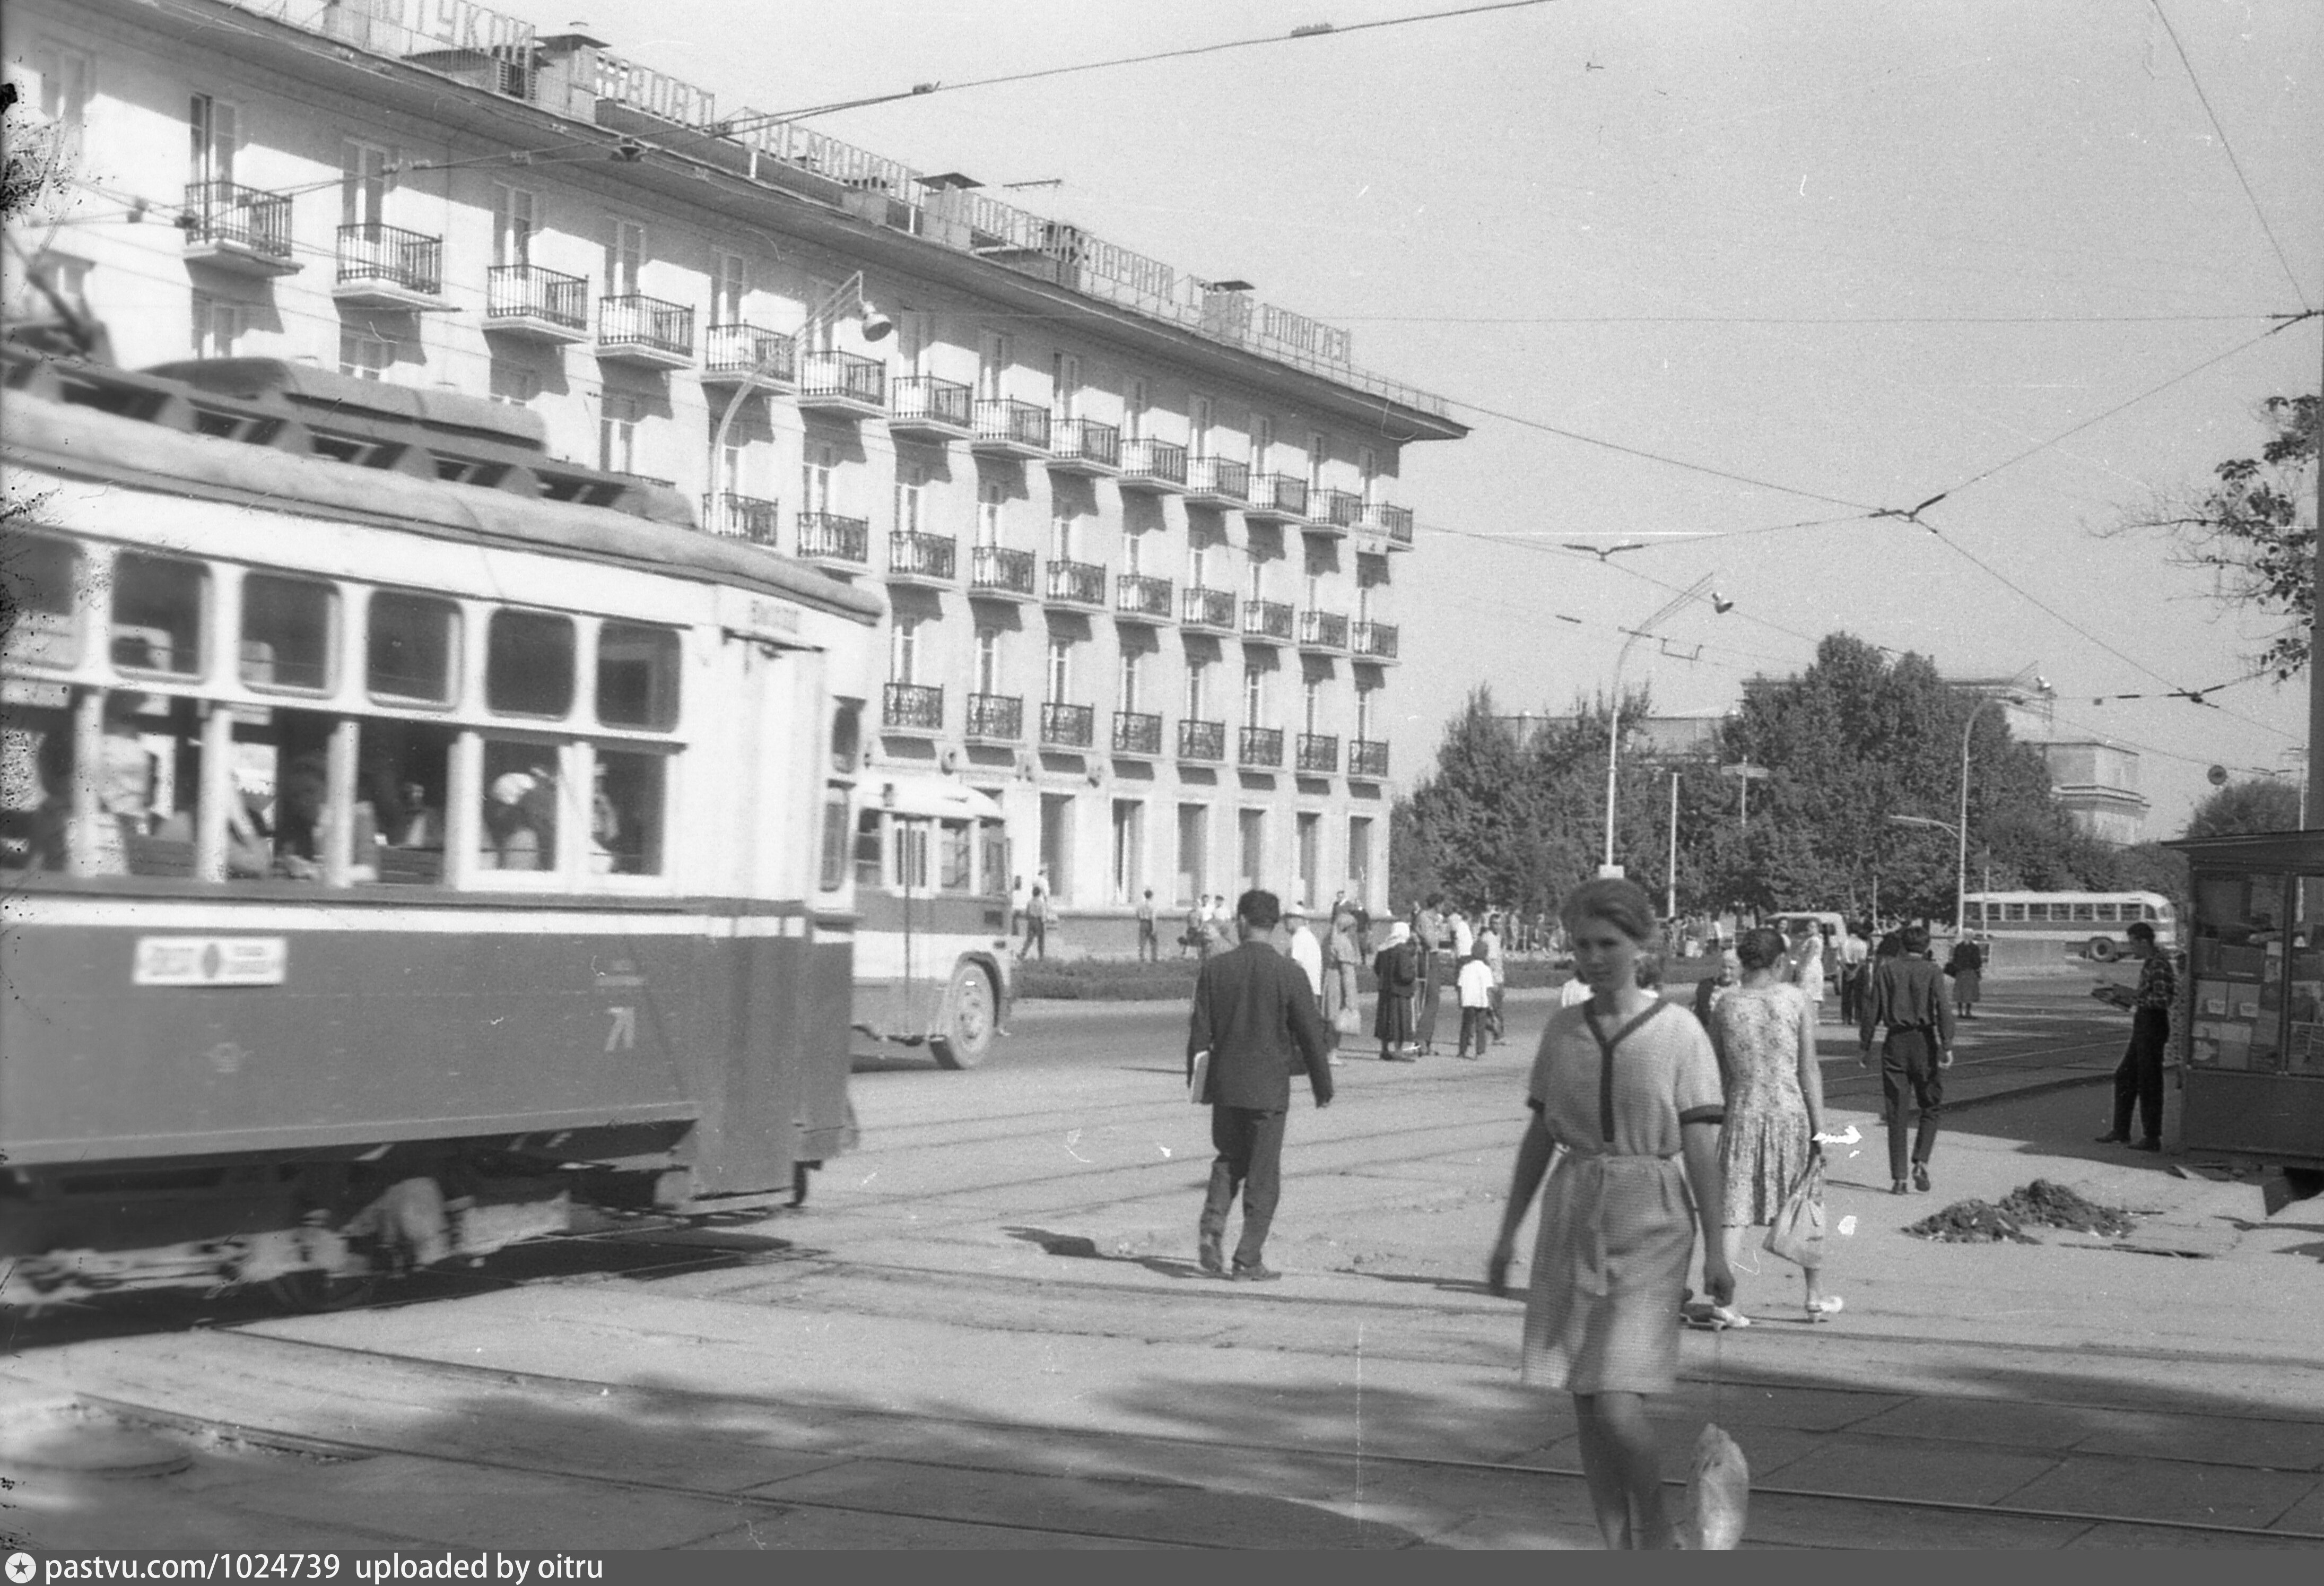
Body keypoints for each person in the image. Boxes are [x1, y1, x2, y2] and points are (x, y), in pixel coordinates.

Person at [1486, 877, 1730, 1550]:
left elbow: (1703, 1150)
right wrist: (1507, 1232)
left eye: (1608, 944)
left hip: (1651, 1216)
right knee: (1585, 1397)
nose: (1593, 958)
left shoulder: (1679, 1032)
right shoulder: (1564, 1029)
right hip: (1574, 1211)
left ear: (1640, 943)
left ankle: (1657, 1534)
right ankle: (1614, 1546)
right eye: (1581, 945)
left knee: (1619, 1399)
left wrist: (1718, 1250)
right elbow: (1540, 1135)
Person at [1186, 889, 1334, 1281]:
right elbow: (1311, 1035)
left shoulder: (1216, 970)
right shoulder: (1289, 973)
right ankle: (1247, 1257)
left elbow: (1199, 1035)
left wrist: (1197, 1086)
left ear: (1242, 922)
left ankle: (1212, 1224)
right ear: (1274, 926)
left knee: (1228, 1159)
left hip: (1226, 1086)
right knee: (1263, 1174)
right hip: (1269, 1090)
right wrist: (1323, 1085)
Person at [1711, 928, 1836, 1324]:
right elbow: (1808, 1067)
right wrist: (1821, 1130)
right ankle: (1814, 1295)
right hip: (1791, 1112)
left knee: (1733, 1210)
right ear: (1779, 962)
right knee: (1806, 1202)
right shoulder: (1795, 999)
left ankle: (1722, 1302)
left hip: (1743, 1110)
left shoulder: (1725, 1004)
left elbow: (1720, 1068)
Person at [1858, 922, 1955, 1195]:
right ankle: (1921, 1160)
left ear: (1902, 945)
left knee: (1896, 1112)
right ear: (1927, 948)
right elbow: (1943, 1008)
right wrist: (1947, 1043)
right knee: (1931, 1105)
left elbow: (1872, 1009)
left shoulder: (1886, 970)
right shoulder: (1933, 971)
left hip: (1895, 1043)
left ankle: (1899, 1179)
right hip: (1925, 1043)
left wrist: (1864, 1045)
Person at [2096, 920, 2175, 1152]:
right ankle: (2121, 1130)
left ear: (2144, 942)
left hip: (2153, 1025)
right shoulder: (2151, 963)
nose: (2132, 949)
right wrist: (2125, 995)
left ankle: (2152, 1137)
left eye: (2134, 943)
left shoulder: (2159, 964)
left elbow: (2163, 1000)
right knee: (2125, 1076)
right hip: (2144, 1023)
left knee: (2149, 1081)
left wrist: (2134, 998)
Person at [1284, 902, 1333, 1066]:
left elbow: (1294, 965)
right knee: (1309, 1026)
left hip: (1301, 990)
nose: (1285, 923)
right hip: (1313, 989)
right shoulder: (1310, 937)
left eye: (1287, 919)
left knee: (1298, 1027)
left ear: (1296, 920)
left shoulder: (1298, 938)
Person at [1373, 920, 1418, 1061]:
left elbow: (1377, 968)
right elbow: (1405, 974)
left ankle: (1385, 1049)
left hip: (1385, 989)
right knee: (1399, 1021)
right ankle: (1398, 1051)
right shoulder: (1402, 950)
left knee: (1386, 1020)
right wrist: (1413, 975)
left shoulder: (1384, 948)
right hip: (1400, 991)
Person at [1322, 893, 1362, 1037]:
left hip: (1329, 980)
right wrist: (1351, 1000)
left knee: (1329, 1016)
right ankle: (1332, 1053)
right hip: (1339, 985)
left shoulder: (1330, 940)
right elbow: (1347, 974)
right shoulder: (1344, 944)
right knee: (1337, 1019)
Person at [1456, 939, 1494, 1059]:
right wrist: (1491, 1004)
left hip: (1468, 1001)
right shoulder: (1486, 970)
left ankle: (1462, 1050)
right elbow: (1489, 990)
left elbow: (1460, 986)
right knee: (1480, 1028)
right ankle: (1480, 1051)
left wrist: (1460, 1001)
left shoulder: (1465, 968)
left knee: (1466, 1026)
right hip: (1482, 1002)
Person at [1691, 948, 1742, 1031]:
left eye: (1731, 968)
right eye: (1724, 967)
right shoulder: (1707, 986)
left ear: (1739, 970)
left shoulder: (1743, 989)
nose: (1727, 972)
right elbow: (1704, 1014)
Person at [1479, 911, 1507, 1044]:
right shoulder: (1487, 938)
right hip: (1492, 979)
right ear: (1490, 924)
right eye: (1495, 923)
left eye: (1499, 924)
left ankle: (1498, 1034)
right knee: (1493, 1009)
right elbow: (1488, 961)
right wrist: (1492, 981)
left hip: (1499, 977)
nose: (1497, 926)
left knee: (1498, 1008)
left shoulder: (1498, 937)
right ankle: (1497, 1034)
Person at [1838, 922, 1872, 1025]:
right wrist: (1855, 972)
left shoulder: (1843, 943)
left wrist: (1848, 971)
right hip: (1859, 969)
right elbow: (1862, 960)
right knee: (1859, 994)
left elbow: (1839, 960)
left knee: (1846, 994)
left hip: (1846, 967)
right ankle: (1859, 1017)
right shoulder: (1862, 943)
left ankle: (1846, 1018)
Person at [1945, 934, 1984, 1020]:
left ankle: (1960, 1012)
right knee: (1969, 992)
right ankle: (1968, 1012)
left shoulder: (1959, 947)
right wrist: (1978, 970)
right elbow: (1977, 962)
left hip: (1960, 972)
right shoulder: (1974, 948)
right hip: (1970, 972)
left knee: (1960, 992)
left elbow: (1955, 960)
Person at [1023, 878, 1050, 958]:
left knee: (1029, 940)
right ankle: (1041, 957)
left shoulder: (1030, 902)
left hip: (1031, 922)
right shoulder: (1041, 903)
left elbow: (1027, 913)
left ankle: (1023, 954)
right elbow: (1043, 915)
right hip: (1039, 922)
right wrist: (1044, 923)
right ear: (1039, 894)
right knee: (1041, 940)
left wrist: (1029, 919)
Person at [1136, 888, 1160, 963]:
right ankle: (1154, 958)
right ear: (1151, 896)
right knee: (1154, 941)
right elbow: (1153, 917)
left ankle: (1142, 957)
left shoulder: (1141, 905)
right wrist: (1154, 928)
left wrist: (1141, 921)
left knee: (1142, 941)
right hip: (1150, 923)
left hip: (1143, 923)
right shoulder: (1152, 905)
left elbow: (1137, 914)